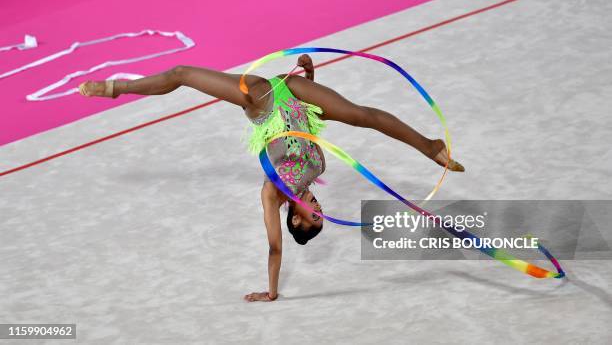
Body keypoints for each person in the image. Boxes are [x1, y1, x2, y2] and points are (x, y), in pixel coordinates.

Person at [78, 54, 464, 302]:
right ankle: (428, 146)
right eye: (322, 213)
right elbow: (306, 132)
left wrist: (272, 292)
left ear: (295, 217)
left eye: (313, 215)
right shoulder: (316, 174)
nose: (319, 208)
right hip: (296, 95)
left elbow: (275, 250)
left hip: (263, 103)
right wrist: (311, 76)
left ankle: (115, 89)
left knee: (182, 74)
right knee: (361, 115)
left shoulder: (271, 194)